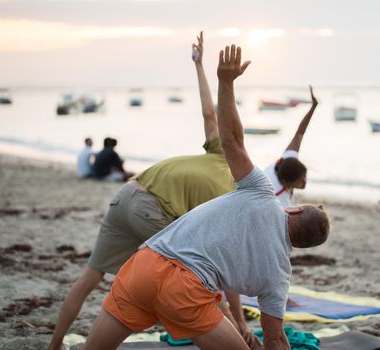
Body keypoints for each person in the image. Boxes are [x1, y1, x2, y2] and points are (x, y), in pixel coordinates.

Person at [81, 44, 330, 350]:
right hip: (186, 290)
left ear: (293, 212)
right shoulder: (279, 274)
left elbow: (232, 141)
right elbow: (275, 339)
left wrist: (226, 83)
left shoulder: (261, 192)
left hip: (145, 263)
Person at [47, 32, 237, 350]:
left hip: (125, 195)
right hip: (151, 208)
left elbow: (209, 112)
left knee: (89, 277)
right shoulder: (229, 191)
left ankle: (54, 345)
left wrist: (198, 64)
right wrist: (238, 316)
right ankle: (234, 333)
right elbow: (220, 261)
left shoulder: (221, 153)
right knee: (194, 280)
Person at [263, 86, 318, 207]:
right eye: (301, 179)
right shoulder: (278, 199)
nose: (305, 181)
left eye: (305, 175)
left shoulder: (287, 161)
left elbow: (300, 133)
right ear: (286, 182)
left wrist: (313, 107)